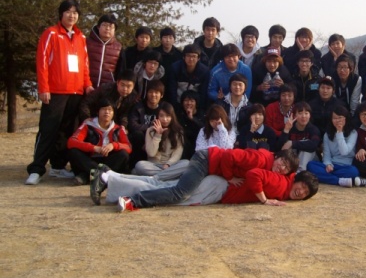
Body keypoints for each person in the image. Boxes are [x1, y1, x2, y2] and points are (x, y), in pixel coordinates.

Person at [90, 145, 299, 207]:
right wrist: (229, 178)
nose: (281, 168)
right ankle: (136, 200)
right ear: (278, 156)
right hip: (206, 161)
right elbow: (229, 156)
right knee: (179, 193)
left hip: (207, 162)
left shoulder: (269, 164)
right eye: (282, 162)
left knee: (159, 181)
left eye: (286, 169)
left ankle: (109, 176)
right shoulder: (260, 159)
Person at [26, 0, 94, 185]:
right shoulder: (51, 33)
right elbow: (42, 61)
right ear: (61, 14)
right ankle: (36, 169)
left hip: (76, 92)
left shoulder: (81, 37)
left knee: (66, 131)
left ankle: (57, 166)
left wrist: (87, 85)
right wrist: (43, 88)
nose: (72, 16)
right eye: (68, 12)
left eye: (75, 13)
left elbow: (84, 65)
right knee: (48, 129)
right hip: (55, 91)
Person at [115, 169, 318, 211]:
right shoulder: (281, 184)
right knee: (174, 195)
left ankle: (114, 179)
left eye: (305, 193)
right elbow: (254, 174)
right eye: (302, 186)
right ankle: (124, 193)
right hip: (218, 188)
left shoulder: (284, 188)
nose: (301, 192)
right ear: (297, 180)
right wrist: (264, 200)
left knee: (166, 187)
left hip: (218, 187)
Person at [67, 99, 131, 185]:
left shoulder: (118, 129)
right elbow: (71, 141)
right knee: (73, 151)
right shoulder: (88, 125)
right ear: (98, 111)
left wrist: (113, 145)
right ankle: (102, 176)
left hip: (108, 161)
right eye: (104, 109)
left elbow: (128, 147)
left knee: (123, 154)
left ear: (113, 113)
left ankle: (86, 176)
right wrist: (94, 148)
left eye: (110, 110)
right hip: (89, 160)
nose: (107, 112)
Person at [306, 105, 359, 187]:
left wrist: (339, 132)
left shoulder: (353, 133)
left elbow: (344, 152)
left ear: (346, 118)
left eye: (340, 118)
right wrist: (328, 164)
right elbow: (326, 155)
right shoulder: (327, 134)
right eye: (334, 118)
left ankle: (327, 178)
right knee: (310, 165)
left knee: (354, 171)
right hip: (332, 165)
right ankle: (339, 181)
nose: (337, 121)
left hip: (346, 166)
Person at [134, 102, 187, 178]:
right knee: (139, 165)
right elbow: (151, 153)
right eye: (161, 116)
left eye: (168, 116)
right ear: (157, 116)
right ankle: (168, 175)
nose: (165, 119)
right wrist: (158, 135)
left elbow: (178, 152)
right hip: (154, 165)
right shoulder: (150, 130)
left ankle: (157, 177)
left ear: (172, 117)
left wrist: (168, 164)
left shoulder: (178, 131)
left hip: (171, 165)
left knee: (186, 163)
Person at [127, 79, 164, 168]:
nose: (153, 95)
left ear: (161, 95)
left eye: (156, 92)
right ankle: (134, 166)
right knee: (137, 135)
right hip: (141, 139)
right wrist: (150, 127)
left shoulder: (164, 108)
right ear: (146, 93)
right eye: (151, 92)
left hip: (156, 138)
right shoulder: (138, 106)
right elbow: (133, 125)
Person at [276, 102, 321, 170]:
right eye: (300, 113)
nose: (303, 116)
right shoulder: (290, 127)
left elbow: (314, 145)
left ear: (310, 115)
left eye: (306, 113)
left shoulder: (313, 129)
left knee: (305, 148)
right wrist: (286, 130)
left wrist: (292, 143)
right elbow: (280, 147)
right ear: (294, 115)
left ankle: (299, 171)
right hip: (294, 158)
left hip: (312, 159)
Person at [165, 43, 209, 110]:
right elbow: (172, 91)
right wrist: (174, 108)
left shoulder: (204, 71)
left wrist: (199, 110)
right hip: (178, 102)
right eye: (188, 56)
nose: (191, 59)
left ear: (198, 58)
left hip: (195, 104)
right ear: (183, 57)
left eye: (194, 56)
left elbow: (203, 93)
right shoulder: (175, 68)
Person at [86, 13, 124, 88]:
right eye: (104, 25)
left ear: (115, 30)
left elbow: (120, 71)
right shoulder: (86, 43)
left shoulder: (118, 47)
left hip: (107, 89)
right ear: (98, 27)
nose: (107, 29)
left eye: (111, 27)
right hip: (87, 87)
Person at [215, 73, 251, 139]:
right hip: (222, 137)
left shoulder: (249, 107)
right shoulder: (220, 103)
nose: (237, 87)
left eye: (240, 85)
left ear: (245, 88)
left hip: (241, 138)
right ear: (230, 86)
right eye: (234, 84)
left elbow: (248, 127)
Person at [175, 90, 204, 160]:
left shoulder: (202, 114)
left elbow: (204, 128)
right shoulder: (178, 113)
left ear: (196, 103)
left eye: (192, 101)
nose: (189, 103)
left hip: (197, 144)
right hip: (182, 144)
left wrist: (192, 118)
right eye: (186, 100)